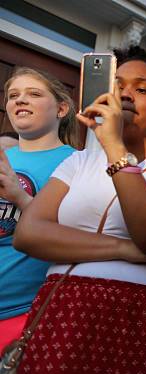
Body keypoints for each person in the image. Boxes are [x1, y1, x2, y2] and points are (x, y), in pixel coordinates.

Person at [12, 44, 146, 374]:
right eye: (118, 85)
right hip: (64, 314)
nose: (125, 94)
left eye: (142, 88)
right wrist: (126, 249)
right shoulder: (78, 162)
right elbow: (29, 233)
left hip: (141, 319)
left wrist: (116, 150)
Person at [0, 68, 76, 352]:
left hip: (28, 314)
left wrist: (19, 196)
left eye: (33, 94)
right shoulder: (3, 155)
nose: (20, 100)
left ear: (61, 108)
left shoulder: (78, 163)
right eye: (13, 96)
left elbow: (75, 236)